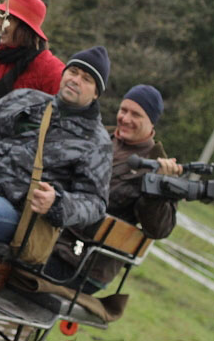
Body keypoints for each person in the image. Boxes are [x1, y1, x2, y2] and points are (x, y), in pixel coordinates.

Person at [0, 46, 113, 275]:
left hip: (18, 210)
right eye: (73, 71)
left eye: (86, 79)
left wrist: (56, 202)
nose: (76, 80)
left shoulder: (97, 142)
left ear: (95, 94)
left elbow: (96, 203)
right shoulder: (25, 98)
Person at [46, 84, 180, 293]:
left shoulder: (157, 165)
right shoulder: (99, 134)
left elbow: (159, 229)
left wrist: (159, 189)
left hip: (83, 264)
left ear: (152, 122)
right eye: (123, 110)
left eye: (136, 114)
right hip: (49, 235)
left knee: (17, 258)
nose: (125, 118)